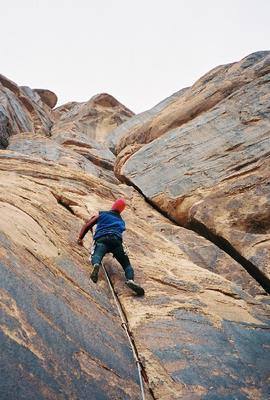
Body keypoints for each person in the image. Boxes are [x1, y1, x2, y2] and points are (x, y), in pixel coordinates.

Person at [77, 198, 144, 296]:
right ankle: (130, 280)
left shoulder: (102, 214)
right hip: (116, 242)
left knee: (97, 254)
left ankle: (96, 265)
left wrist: (80, 238)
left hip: (102, 239)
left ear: (113, 206)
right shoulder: (121, 221)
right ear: (121, 210)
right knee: (126, 264)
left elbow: (88, 225)